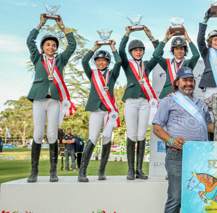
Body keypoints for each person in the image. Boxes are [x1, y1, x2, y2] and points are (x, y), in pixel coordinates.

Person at [151, 66, 213, 213]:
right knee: (176, 197)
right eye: (185, 80)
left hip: (200, 154)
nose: (189, 83)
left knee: (199, 195)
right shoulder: (168, 101)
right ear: (177, 83)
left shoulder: (201, 104)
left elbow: (211, 126)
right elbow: (156, 127)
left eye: (191, 80)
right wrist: (170, 139)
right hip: (177, 154)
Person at [26, 14, 76, 183]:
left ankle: (53, 171)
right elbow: (29, 41)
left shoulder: (60, 60)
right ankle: (34, 171)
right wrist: (41, 23)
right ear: (43, 47)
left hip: (54, 100)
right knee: (38, 133)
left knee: (52, 134)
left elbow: (72, 46)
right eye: (48, 44)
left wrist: (63, 27)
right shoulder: (37, 57)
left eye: (54, 45)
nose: (51, 47)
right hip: (39, 99)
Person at [119, 25, 159, 180]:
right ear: (131, 52)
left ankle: (139, 170)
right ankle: (130, 169)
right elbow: (121, 51)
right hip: (131, 101)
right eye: (135, 50)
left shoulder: (146, 65)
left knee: (142, 134)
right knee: (131, 133)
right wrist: (127, 33)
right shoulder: (127, 64)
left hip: (144, 102)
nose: (138, 52)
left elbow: (158, 53)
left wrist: (150, 36)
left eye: (141, 49)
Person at [79, 40, 121, 182]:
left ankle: (101, 171)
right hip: (96, 109)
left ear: (108, 62)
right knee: (93, 137)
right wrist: (94, 48)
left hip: (109, 111)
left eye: (104, 60)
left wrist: (113, 47)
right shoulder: (92, 74)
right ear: (95, 62)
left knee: (107, 138)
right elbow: (84, 62)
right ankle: (82, 172)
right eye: (98, 60)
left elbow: (119, 62)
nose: (101, 63)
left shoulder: (112, 74)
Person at [153, 30, 199, 98]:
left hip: (184, 93)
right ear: (173, 50)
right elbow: (156, 55)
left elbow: (196, 55)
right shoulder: (167, 63)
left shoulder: (188, 63)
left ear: (185, 50)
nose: (179, 51)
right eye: (176, 49)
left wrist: (188, 39)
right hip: (167, 93)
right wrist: (166, 39)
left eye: (181, 49)